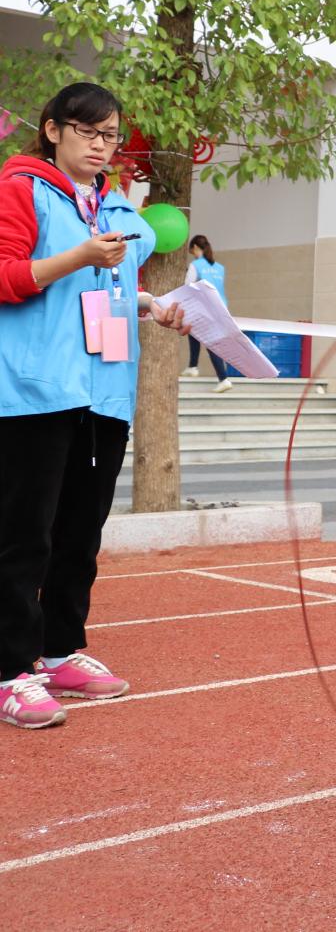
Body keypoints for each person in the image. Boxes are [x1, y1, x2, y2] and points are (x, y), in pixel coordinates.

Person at [0, 82, 190, 731]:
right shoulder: (22, 187)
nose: (101, 147)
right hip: (35, 390)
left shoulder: (111, 205)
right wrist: (78, 254)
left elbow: (108, 290)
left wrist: (152, 306)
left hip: (103, 391)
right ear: (53, 129)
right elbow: (5, 276)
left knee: (79, 534)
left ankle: (57, 651)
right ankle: (9, 669)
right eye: (89, 132)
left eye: (110, 136)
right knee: (24, 535)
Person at [184, 233, 233, 393]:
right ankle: (193, 366)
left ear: (196, 248)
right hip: (220, 308)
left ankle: (223, 378)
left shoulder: (196, 265)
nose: (193, 254)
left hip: (203, 308)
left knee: (211, 343)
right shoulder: (220, 268)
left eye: (192, 251)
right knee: (194, 332)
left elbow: (187, 287)